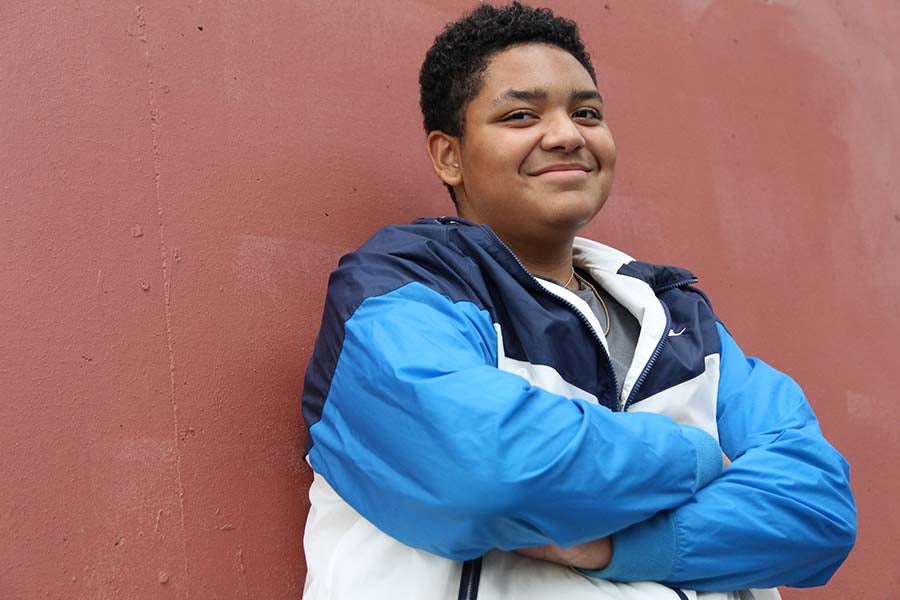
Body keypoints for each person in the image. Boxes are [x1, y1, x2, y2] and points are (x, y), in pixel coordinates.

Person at [300, 3, 856, 599]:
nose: (567, 135)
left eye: (586, 112)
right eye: (521, 115)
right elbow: (488, 468)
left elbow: (817, 510)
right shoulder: (403, 285)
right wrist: (698, 456)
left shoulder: (684, 321)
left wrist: (616, 545)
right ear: (449, 155)